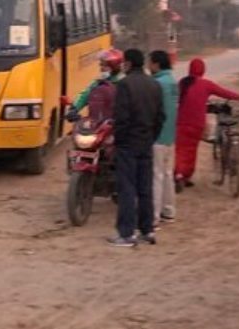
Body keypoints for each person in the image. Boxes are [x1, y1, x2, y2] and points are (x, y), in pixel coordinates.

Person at [108, 49, 165, 248]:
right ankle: (147, 230)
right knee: (145, 188)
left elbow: (121, 118)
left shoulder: (124, 85)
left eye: (124, 62)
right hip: (146, 143)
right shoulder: (154, 85)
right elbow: (160, 117)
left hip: (128, 145)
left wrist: (119, 141)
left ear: (129, 63)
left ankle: (126, 234)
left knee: (127, 189)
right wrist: (150, 138)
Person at [174, 58, 239, 190]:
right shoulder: (206, 84)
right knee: (191, 151)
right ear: (202, 70)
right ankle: (186, 176)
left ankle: (179, 175)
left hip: (181, 122)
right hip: (197, 124)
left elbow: (175, 98)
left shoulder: (183, 82)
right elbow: (223, 92)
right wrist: (238, 96)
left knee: (181, 150)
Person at [148, 50, 178, 227]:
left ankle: (153, 217)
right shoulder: (173, 82)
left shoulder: (157, 83)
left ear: (157, 64)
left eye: (149, 62)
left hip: (157, 137)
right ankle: (169, 211)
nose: (148, 66)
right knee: (167, 175)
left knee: (155, 176)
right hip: (170, 136)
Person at [71, 48, 124, 123]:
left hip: (116, 127)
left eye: (104, 65)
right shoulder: (99, 82)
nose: (101, 68)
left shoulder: (123, 84)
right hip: (96, 124)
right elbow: (85, 94)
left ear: (113, 67)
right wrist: (74, 109)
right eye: (101, 64)